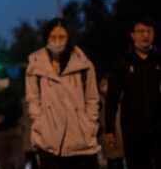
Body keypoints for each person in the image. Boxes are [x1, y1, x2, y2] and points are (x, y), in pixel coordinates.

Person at [26, 18, 99, 169]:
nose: (57, 41)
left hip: (81, 140)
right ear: (46, 38)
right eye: (53, 37)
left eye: (62, 37)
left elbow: (92, 98)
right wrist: (40, 124)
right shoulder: (35, 66)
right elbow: (33, 99)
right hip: (49, 143)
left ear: (69, 38)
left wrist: (89, 125)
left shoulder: (84, 65)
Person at [105, 17, 161, 169]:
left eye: (149, 31)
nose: (145, 35)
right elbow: (112, 97)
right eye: (141, 31)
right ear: (132, 34)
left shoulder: (158, 59)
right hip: (133, 131)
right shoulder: (123, 62)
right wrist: (109, 128)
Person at [0, 69, 24, 169]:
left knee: (17, 160)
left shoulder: (13, 93)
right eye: (0, 79)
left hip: (13, 129)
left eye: (5, 79)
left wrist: (5, 117)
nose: (3, 81)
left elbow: (19, 111)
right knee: (3, 161)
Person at [97, 76, 123, 169]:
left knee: (118, 156)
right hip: (106, 129)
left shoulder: (117, 97)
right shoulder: (99, 99)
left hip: (117, 129)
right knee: (111, 157)